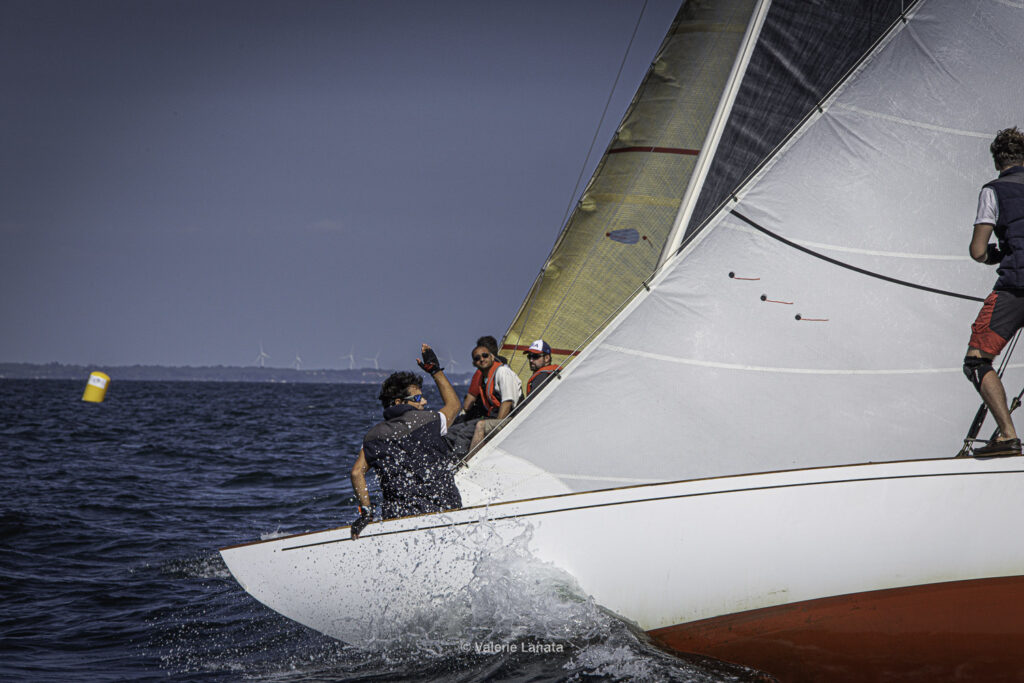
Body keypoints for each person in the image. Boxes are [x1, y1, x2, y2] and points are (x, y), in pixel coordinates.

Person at [349, 344, 461, 538]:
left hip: (399, 521)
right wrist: (435, 371)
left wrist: (367, 513)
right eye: (417, 397)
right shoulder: (432, 420)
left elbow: (357, 472)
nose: (424, 401)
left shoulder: (373, 436)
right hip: (445, 513)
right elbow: (454, 405)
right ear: (399, 402)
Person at [963, 126, 1024, 457]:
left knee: (976, 360)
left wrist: (995, 257)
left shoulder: (994, 190)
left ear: (997, 160)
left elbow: (977, 250)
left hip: (1015, 288)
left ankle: (1007, 435)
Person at [463, 338, 522, 449]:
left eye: (485, 355)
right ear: (474, 363)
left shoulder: (503, 372)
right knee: (461, 431)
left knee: (481, 425)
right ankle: (457, 461)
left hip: (514, 418)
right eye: (477, 358)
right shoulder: (484, 378)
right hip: (495, 418)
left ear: (492, 357)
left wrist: (496, 430)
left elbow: (507, 402)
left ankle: (470, 462)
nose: (482, 359)